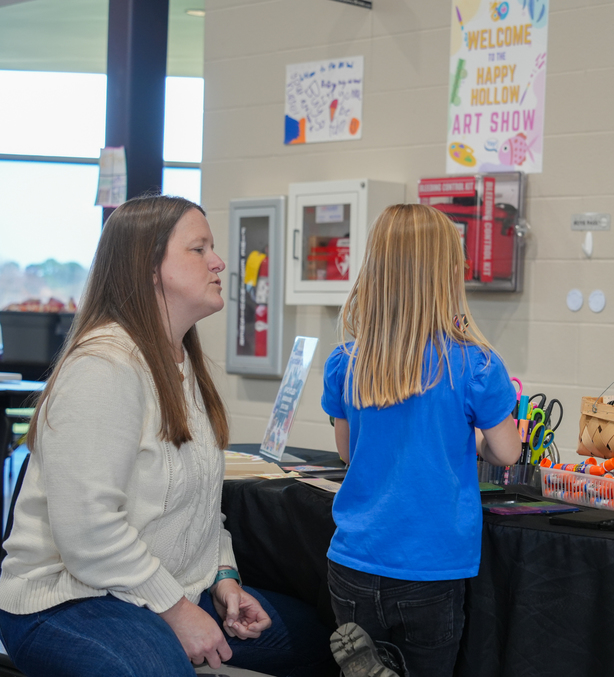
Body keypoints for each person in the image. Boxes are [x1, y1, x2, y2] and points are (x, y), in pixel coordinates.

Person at [0, 195, 336, 677]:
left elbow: (200, 508)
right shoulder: (102, 367)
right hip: (66, 600)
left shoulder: (180, 362)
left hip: (161, 589)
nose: (219, 262)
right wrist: (177, 612)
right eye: (199, 249)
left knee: (320, 641)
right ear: (149, 267)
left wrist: (224, 578)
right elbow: (88, 533)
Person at [321, 203, 521, 677]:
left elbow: (347, 452)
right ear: (448, 272)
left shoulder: (345, 361)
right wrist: (474, 442)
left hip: (352, 560)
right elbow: (507, 452)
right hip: (429, 567)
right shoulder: (476, 364)